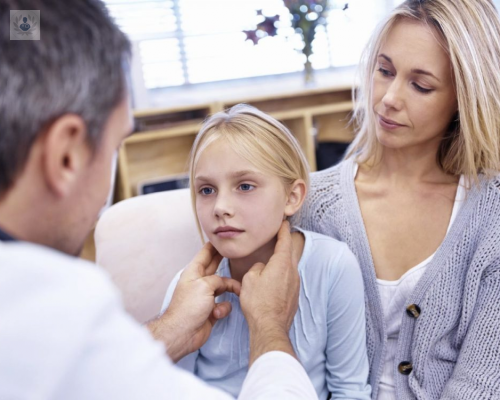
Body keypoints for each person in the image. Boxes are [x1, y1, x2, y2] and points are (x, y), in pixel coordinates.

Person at [0, 1, 319, 399]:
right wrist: (270, 326)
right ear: (66, 156)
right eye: (116, 146)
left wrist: (168, 330)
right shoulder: (60, 315)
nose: (221, 206)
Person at [294, 0, 500, 399]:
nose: (388, 98)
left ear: (464, 98)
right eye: (384, 71)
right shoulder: (307, 203)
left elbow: (482, 382)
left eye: (420, 85)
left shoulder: (492, 216)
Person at [161, 104, 372, 400]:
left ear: (292, 196)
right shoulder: (186, 291)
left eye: (245, 186)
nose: (220, 207)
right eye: (206, 190)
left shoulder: (333, 266)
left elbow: (350, 391)